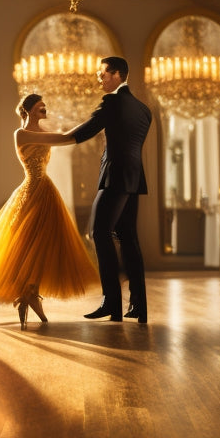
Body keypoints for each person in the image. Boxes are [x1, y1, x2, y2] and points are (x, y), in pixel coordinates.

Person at [0, 94, 100, 328]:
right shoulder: (22, 134)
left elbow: (67, 138)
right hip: (31, 189)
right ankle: (28, 295)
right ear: (27, 111)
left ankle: (30, 294)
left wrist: (92, 125)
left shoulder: (45, 134)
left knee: (45, 245)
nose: (43, 111)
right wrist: (95, 122)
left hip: (47, 190)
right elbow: (66, 137)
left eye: (44, 108)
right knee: (26, 244)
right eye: (39, 108)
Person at [70, 56, 152, 323]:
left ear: (117, 74)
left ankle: (111, 301)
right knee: (129, 238)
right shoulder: (143, 110)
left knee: (98, 231)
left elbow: (84, 132)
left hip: (115, 177)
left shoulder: (113, 102)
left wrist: (48, 139)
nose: (99, 77)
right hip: (134, 178)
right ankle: (138, 306)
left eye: (103, 73)